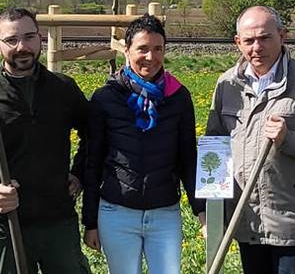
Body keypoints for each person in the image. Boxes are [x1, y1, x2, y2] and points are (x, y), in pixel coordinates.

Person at [205, 6, 295, 274]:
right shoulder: (227, 84)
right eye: (248, 41)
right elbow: (215, 144)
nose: (256, 47)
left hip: (291, 219)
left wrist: (291, 139)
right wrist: (211, 211)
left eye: (265, 38)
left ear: (282, 35)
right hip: (245, 217)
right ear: (237, 42)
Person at [0, 7, 91, 274]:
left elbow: (93, 135)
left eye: (29, 37)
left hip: (57, 219)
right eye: (11, 40)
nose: (22, 47)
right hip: (4, 224)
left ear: (40, 39)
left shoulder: (63, 89)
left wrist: (79, 172)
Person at [82, 14, 206, 274]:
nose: (151, 57)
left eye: (158, 49)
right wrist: (90, 221)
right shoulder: (106, 98)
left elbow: (188, 158)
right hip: (117, 213)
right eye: (142, 49)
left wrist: (201, 211)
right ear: (127, 51)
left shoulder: (179, 97)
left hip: (165, 213)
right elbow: (92, 161)